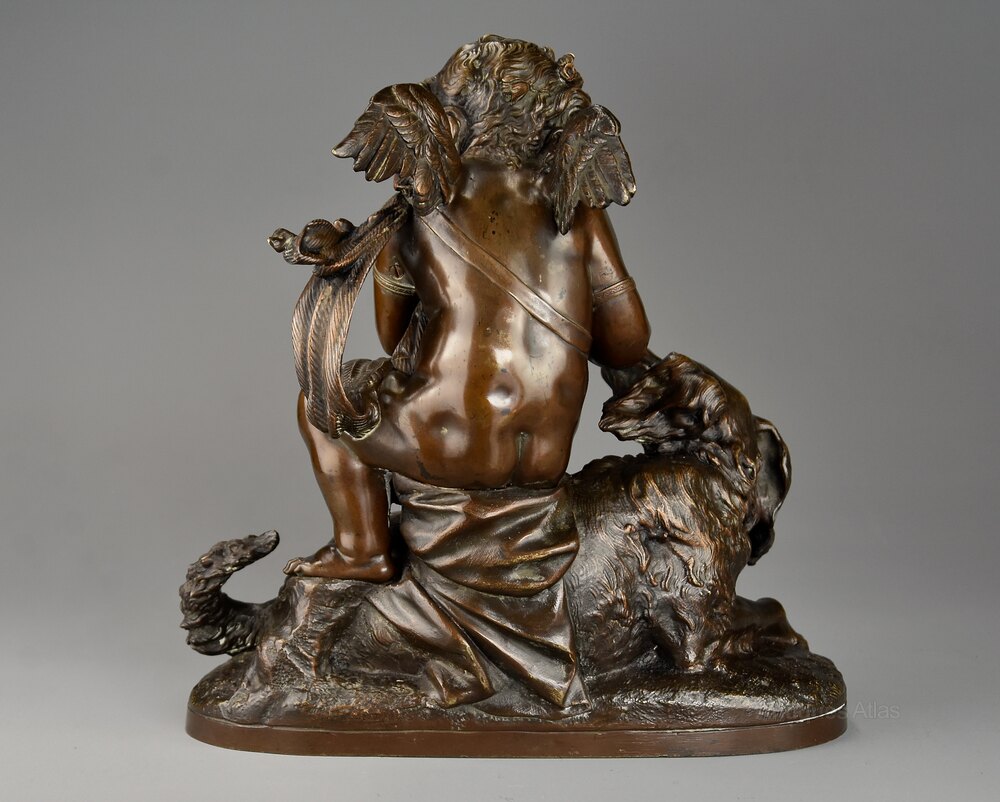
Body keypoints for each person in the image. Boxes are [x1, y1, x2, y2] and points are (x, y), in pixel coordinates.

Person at [280, 36, 651, 584]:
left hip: (453, 446)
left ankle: (362, 551)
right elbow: (628, 342)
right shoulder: (575, 205)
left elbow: (391, 338)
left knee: (325, 406)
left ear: (452, 119)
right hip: (547, 458)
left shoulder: (422, 201)